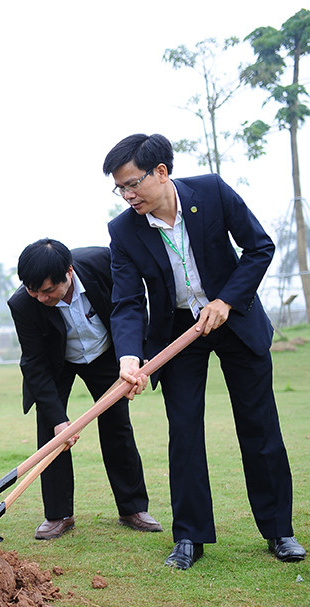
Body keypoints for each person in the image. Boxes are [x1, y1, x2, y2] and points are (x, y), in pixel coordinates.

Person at [103, 133, 305, 569]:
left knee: (260, 426)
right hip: (178, 332)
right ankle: (190, 537)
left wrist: (227, 300)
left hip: (235, 319)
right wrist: (129, 359)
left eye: (133, 183)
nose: (128, 194)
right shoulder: (123, 230)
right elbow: (127, 301)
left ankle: (279, 531)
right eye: (120, 187)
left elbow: (259, 247)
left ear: (162, 172)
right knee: (185, 434)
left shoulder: (211, 191)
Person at [8, 238, 160, 540]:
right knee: (52, 433)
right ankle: (58, 515)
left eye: (49, 290)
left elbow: (133, 305)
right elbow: (34, 362)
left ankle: (132, 508)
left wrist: (135, 353)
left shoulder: (104, 264)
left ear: (69, 272)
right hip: (57, 363)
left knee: (117, 425)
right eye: (33, 290)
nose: (40, 297)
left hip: (106, 354)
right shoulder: (23, 304)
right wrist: (58, 419)